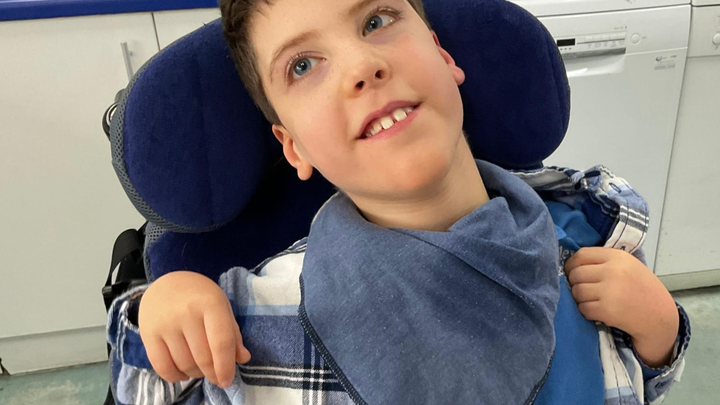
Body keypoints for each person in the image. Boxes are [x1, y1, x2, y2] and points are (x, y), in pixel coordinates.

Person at [106, 0, 690, 404]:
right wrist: (160, 312)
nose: (362, 66)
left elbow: (636, 382)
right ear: (294, 145)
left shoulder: (590, 233)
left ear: (443, 56)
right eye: (303, 66)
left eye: (377, 20)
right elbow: (153, 387)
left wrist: (661, 335)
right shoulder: (259, 323)